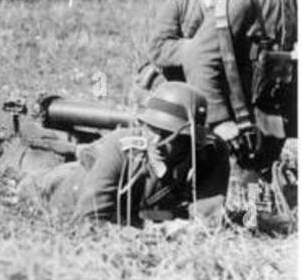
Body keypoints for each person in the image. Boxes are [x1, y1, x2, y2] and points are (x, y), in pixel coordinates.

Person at [183, 0, 296, 226]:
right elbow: (199, 57)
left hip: (267, 111)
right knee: (225, 206)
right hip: (239, 117)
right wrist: (220, 119)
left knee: (264, 192)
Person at [16, 82, 229, 228]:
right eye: (149, 127)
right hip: (58, 190)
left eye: (165, 133)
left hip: (117, 195)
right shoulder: (121, 147)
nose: (154, 140)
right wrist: (148, 231)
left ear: (190, 138)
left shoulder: (211, 153)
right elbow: (88, 222)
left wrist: (178, 225)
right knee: (22, 165)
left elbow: (206, 220)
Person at [133, 0, 235, 93]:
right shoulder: (181, 3)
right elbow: (157, 49)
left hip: (217, 83)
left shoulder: (234, 5)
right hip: (178, 81)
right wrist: (200, 48)